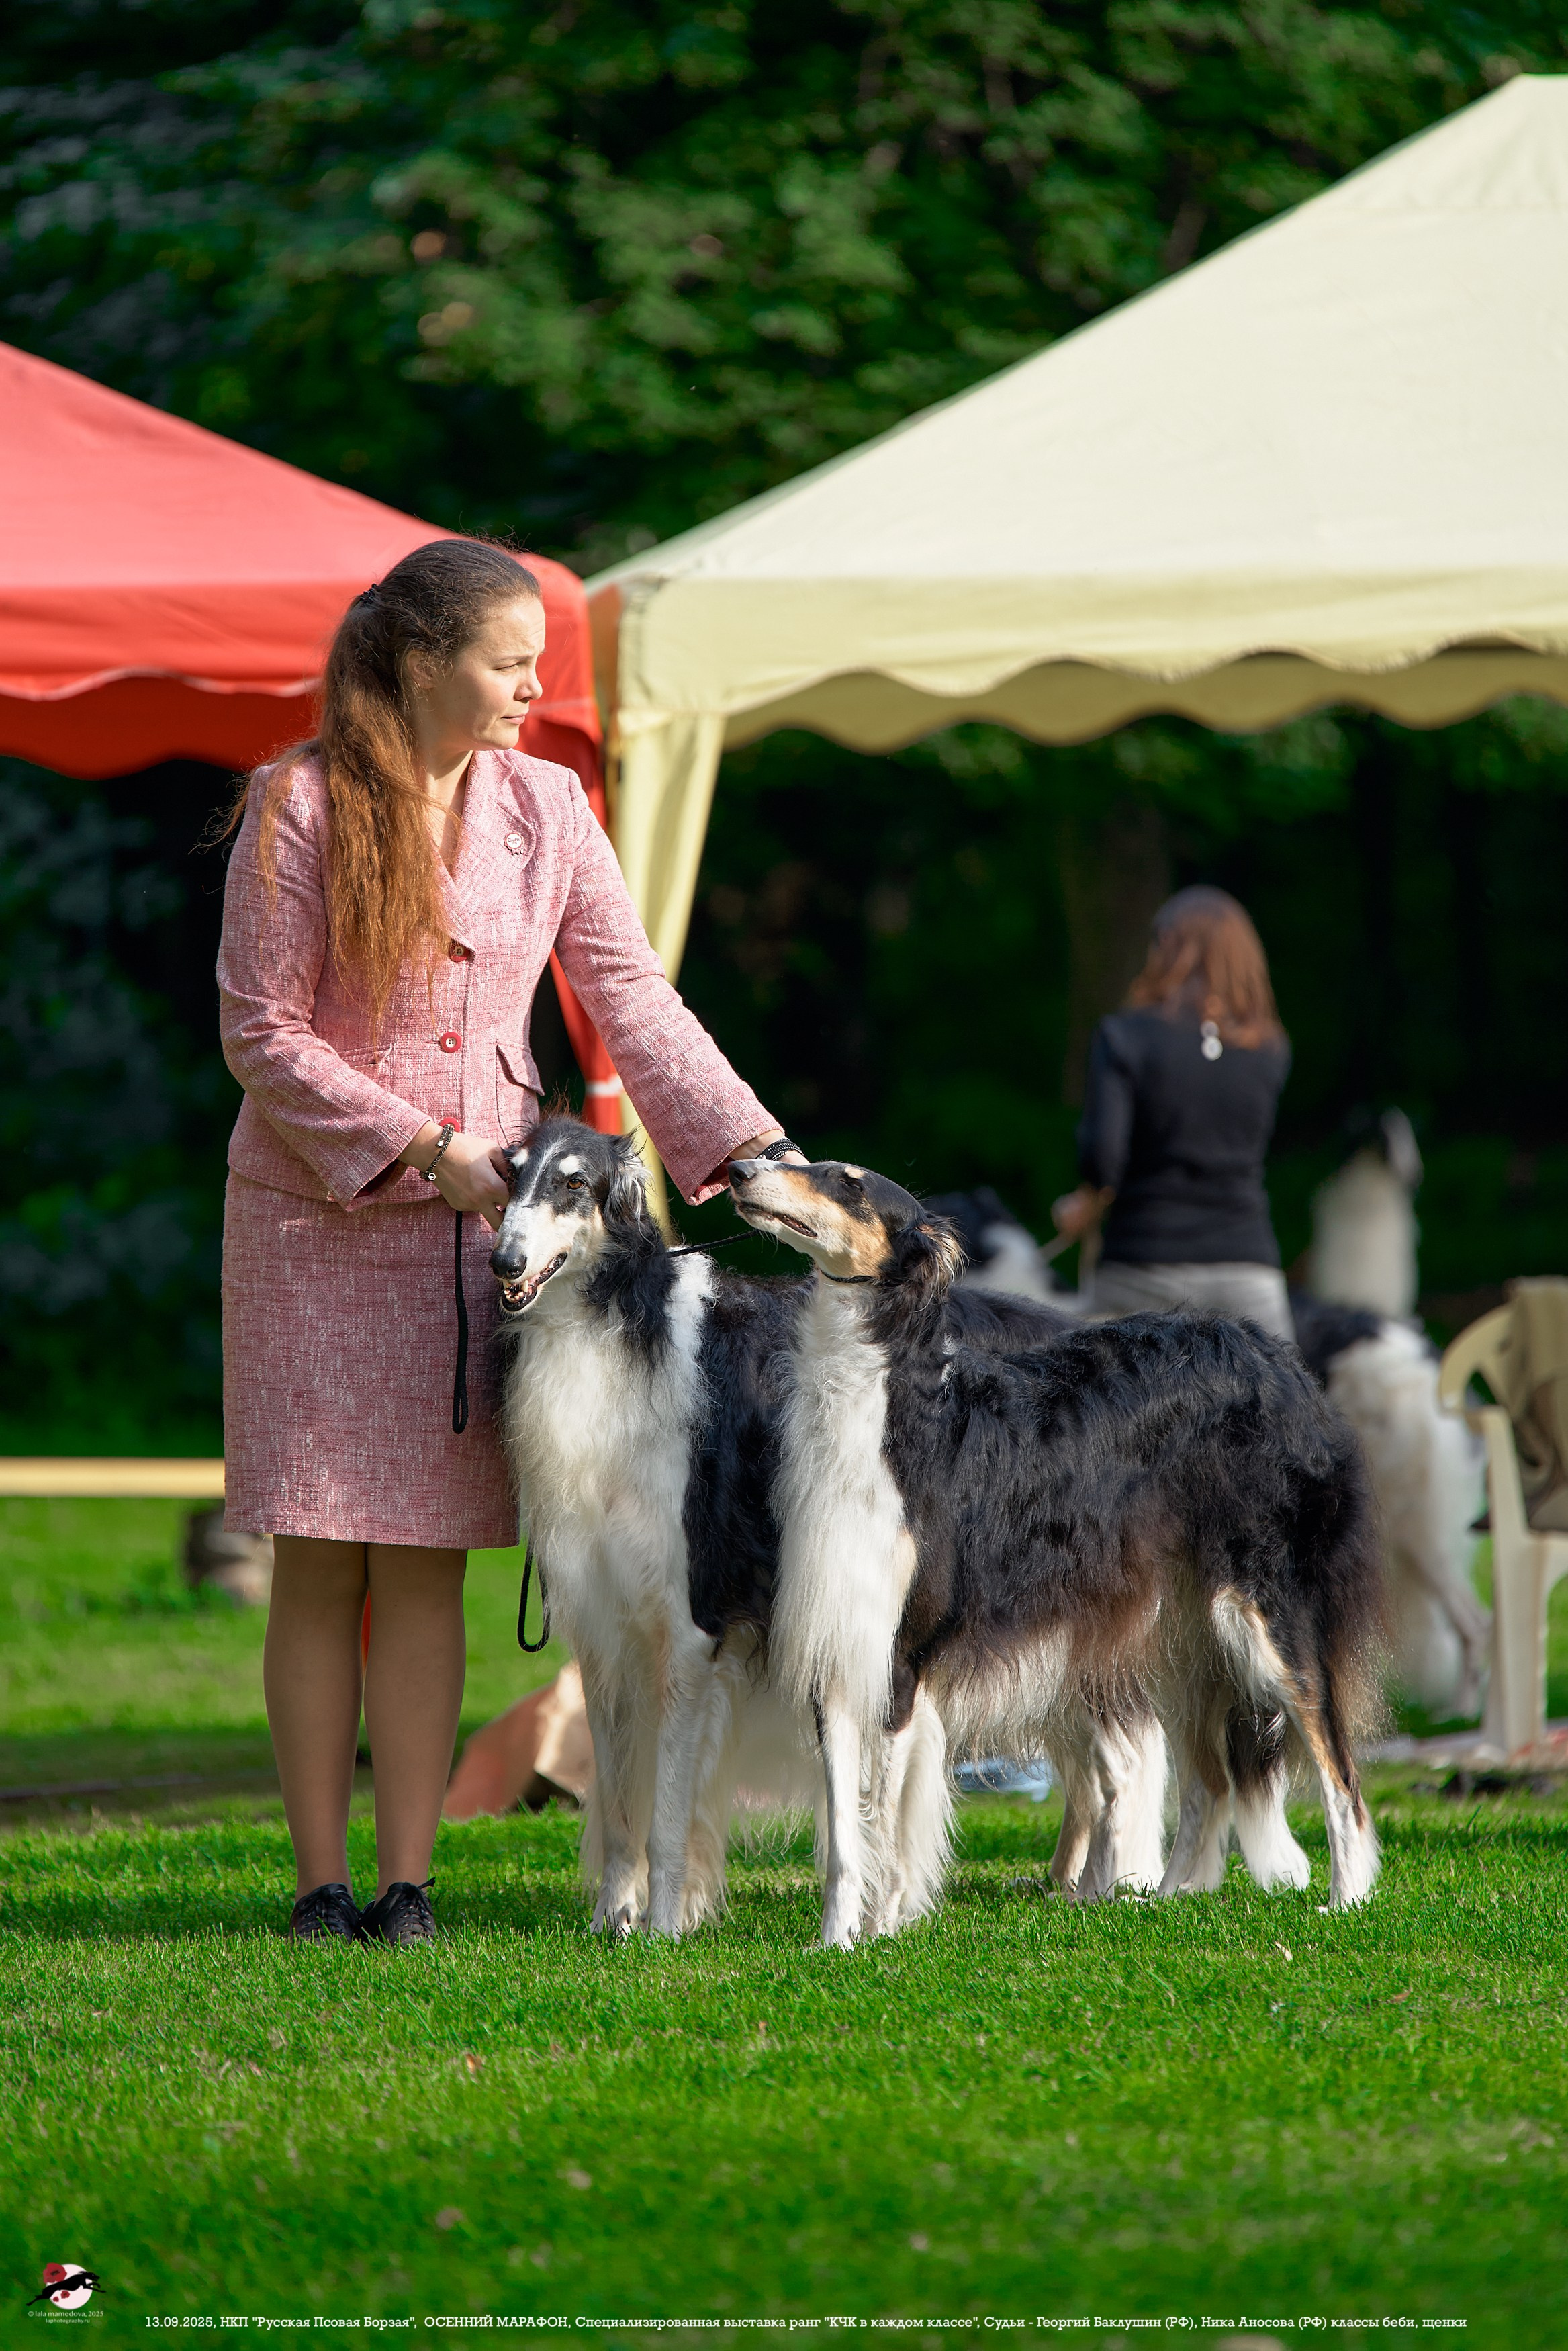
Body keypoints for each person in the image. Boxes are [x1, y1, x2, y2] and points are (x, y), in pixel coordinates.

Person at [217, 539, 794, 1946]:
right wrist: (426, 1146)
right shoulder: (297, 805)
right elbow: (260, 1032)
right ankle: (316, 1884)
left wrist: (757, 1155)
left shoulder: (550, 803)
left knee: (425, 1557)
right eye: (510, 660)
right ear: (422, 662)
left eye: (540, 659)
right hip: (317, 1220)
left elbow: (631, 998)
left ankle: (408, 1887)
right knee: (323, 1552)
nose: (539, 685)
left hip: (505, 1239)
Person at [1052, 885, 1293, 1339]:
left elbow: (1103, 1157)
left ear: (1167, 947)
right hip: (1248, 1269)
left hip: (1142, 1265)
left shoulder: (1125, 1036)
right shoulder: (1270, 1048)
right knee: (1280, 1407)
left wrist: (1085, 1201)